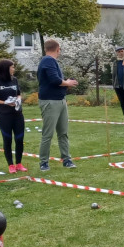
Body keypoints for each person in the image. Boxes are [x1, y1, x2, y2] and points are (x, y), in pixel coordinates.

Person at [36, 38, 78, 171]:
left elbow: (56, 80)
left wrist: (65, 83)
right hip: (50, 101)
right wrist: (68, 83)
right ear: (58, 49)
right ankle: (43, 162)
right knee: (48, 133)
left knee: (63, 132)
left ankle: (67, 159)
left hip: (60, 100)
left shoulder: (52, 61)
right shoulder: (48, 60)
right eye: (60, 50)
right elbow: (54, 80)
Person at [0, 59, 27, 173]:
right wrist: (5, 102)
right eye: (12, 67)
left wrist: (18, 99)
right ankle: (11, 165)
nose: (14, 69)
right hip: (4, 116)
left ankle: (19, 163)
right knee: (7, 139)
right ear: (6, 68)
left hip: (18, 114)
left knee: (19, 139)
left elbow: (18, 93)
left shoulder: (14, 80)